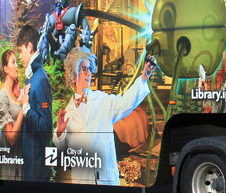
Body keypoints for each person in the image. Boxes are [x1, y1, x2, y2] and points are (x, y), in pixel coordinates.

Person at [52, 46, 155, 185]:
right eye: (84, 69)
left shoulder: (101, 100)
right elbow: (61, 146)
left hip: (106, 178)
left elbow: (125, 103)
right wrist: (59, 132)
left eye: (89, 68)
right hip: (83, 180)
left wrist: (143, 77)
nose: (89, 73)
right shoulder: (68, 112)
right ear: (73, 75)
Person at [15, 23, 52, 181]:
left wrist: (26, 107)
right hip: (31, 165)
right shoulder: (33, 77)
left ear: (29, 47)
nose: (19, 57)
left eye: (21, 51)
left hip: (37, 169)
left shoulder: (40, 79)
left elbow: (46, 128)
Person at [0, 49, 25, 152]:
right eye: (13, 62)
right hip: (12, 159)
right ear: (6, 69)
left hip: (23, 154)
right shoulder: (3, 96)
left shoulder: (16, 93)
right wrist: (23, 108)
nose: (17, 66)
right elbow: (11, 139)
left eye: (16, 62)